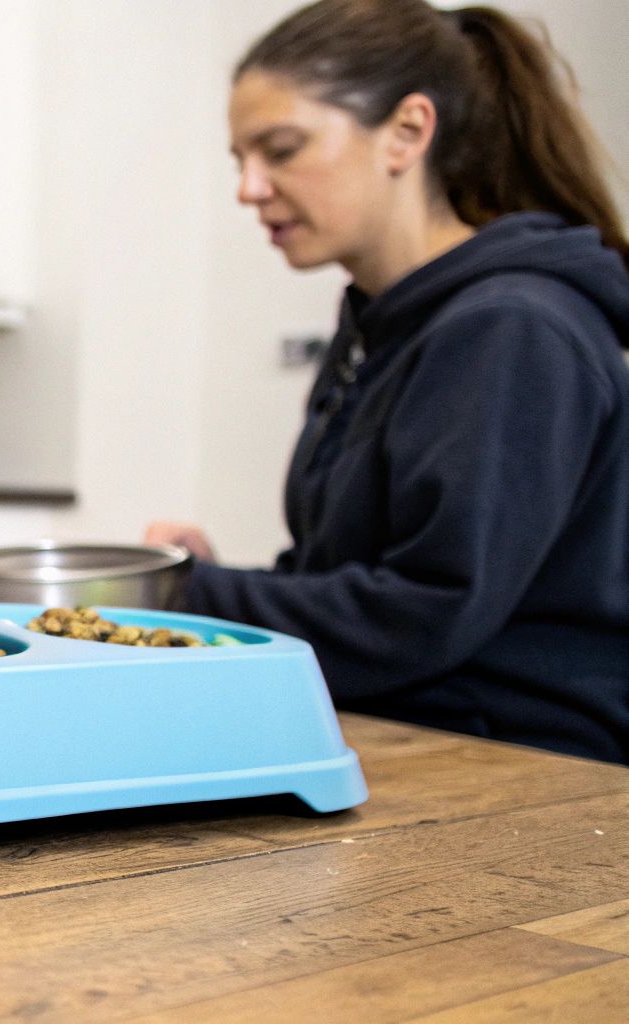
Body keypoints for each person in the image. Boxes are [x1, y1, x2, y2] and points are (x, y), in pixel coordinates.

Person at [146, 0, 629, 763]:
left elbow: (424, 612)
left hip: (524, 765)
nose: (249, 188)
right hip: (406, 727)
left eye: (281, 149)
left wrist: (181, 595)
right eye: (240, 158)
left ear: (407, 132)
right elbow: (347, 578)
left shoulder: (514, 327)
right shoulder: (376, 329)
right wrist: (204, 584)